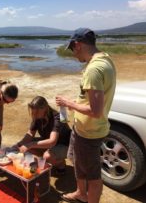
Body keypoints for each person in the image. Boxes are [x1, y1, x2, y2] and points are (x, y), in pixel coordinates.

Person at [56, 28, 116, 203]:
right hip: (82, 129)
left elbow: (95, 111)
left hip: (90, 132)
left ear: (78, 45)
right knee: (78, 163)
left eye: (73, 49)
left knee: (92, 174)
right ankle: (81, 193)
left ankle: (89, 198)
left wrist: (68, 103)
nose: (74, 55)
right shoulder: (106, 59)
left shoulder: (93, 70)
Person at [13, 96, 71, 174]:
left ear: (45, 109)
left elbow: (52, 142)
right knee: (25, 145)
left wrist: (31, 144)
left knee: (47, 156)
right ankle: (47, 159)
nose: (34, 115)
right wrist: (18, 145)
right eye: (33, 112)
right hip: (50, 144)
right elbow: (30, 133)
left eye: (36, 112)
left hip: (65, 145)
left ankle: (61, 163)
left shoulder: (57, 118)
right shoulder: (37, 117)